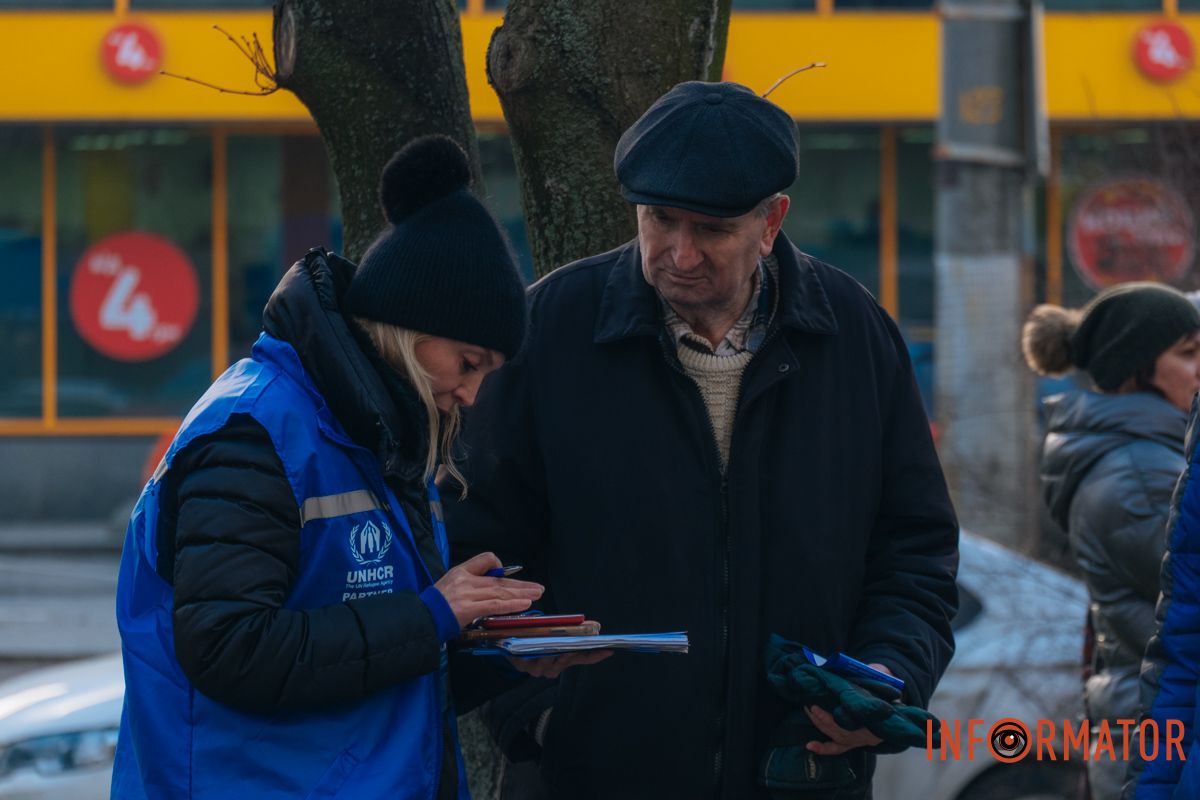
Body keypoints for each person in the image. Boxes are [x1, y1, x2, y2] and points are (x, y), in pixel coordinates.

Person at [443, 81, 960, 799]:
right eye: (660, 220)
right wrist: (537, 715)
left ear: (771, 221)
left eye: (711, 229)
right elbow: (473, 547)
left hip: (801, 770)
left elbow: (914, 549)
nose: (679, 253)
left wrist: (885, 680)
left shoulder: (855, 335)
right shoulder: (550, 331)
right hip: (590, 776)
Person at [111, 135, 579, 799]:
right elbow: (229, 648)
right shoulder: (256, 431)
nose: (472, 396)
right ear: (408, 325)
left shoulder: (380, 441)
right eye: (469, 364)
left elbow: (381, 669)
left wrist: (508, 654)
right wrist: (433, 616)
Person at [1021, 283, 1200, 800]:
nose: (1199, 368)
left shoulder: (1148, 457)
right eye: (1187, 354)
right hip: (1160, 745)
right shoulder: (1140, 475)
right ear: (1134, 371)